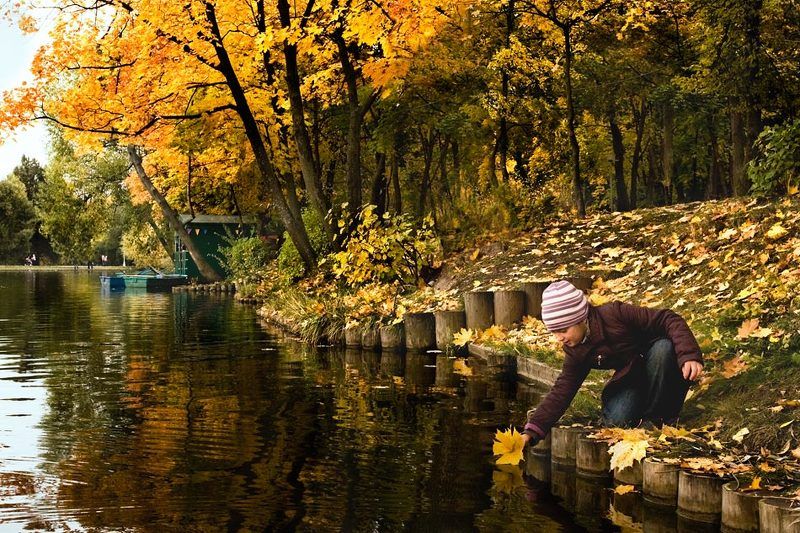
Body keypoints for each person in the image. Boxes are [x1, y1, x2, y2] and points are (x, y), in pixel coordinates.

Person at [521, 280, 704, 448]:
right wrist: (532, 432)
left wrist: (688, 355)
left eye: (563, 330)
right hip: (630, 376)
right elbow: (562, 390)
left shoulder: (616, 314)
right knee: (618, 421)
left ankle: (658, 418)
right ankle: (640, 404)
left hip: (659, 362)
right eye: (553, 331)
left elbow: (668, 318)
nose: (558, 338)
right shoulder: (576, 350)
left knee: (664, 348)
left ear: (580, 318)